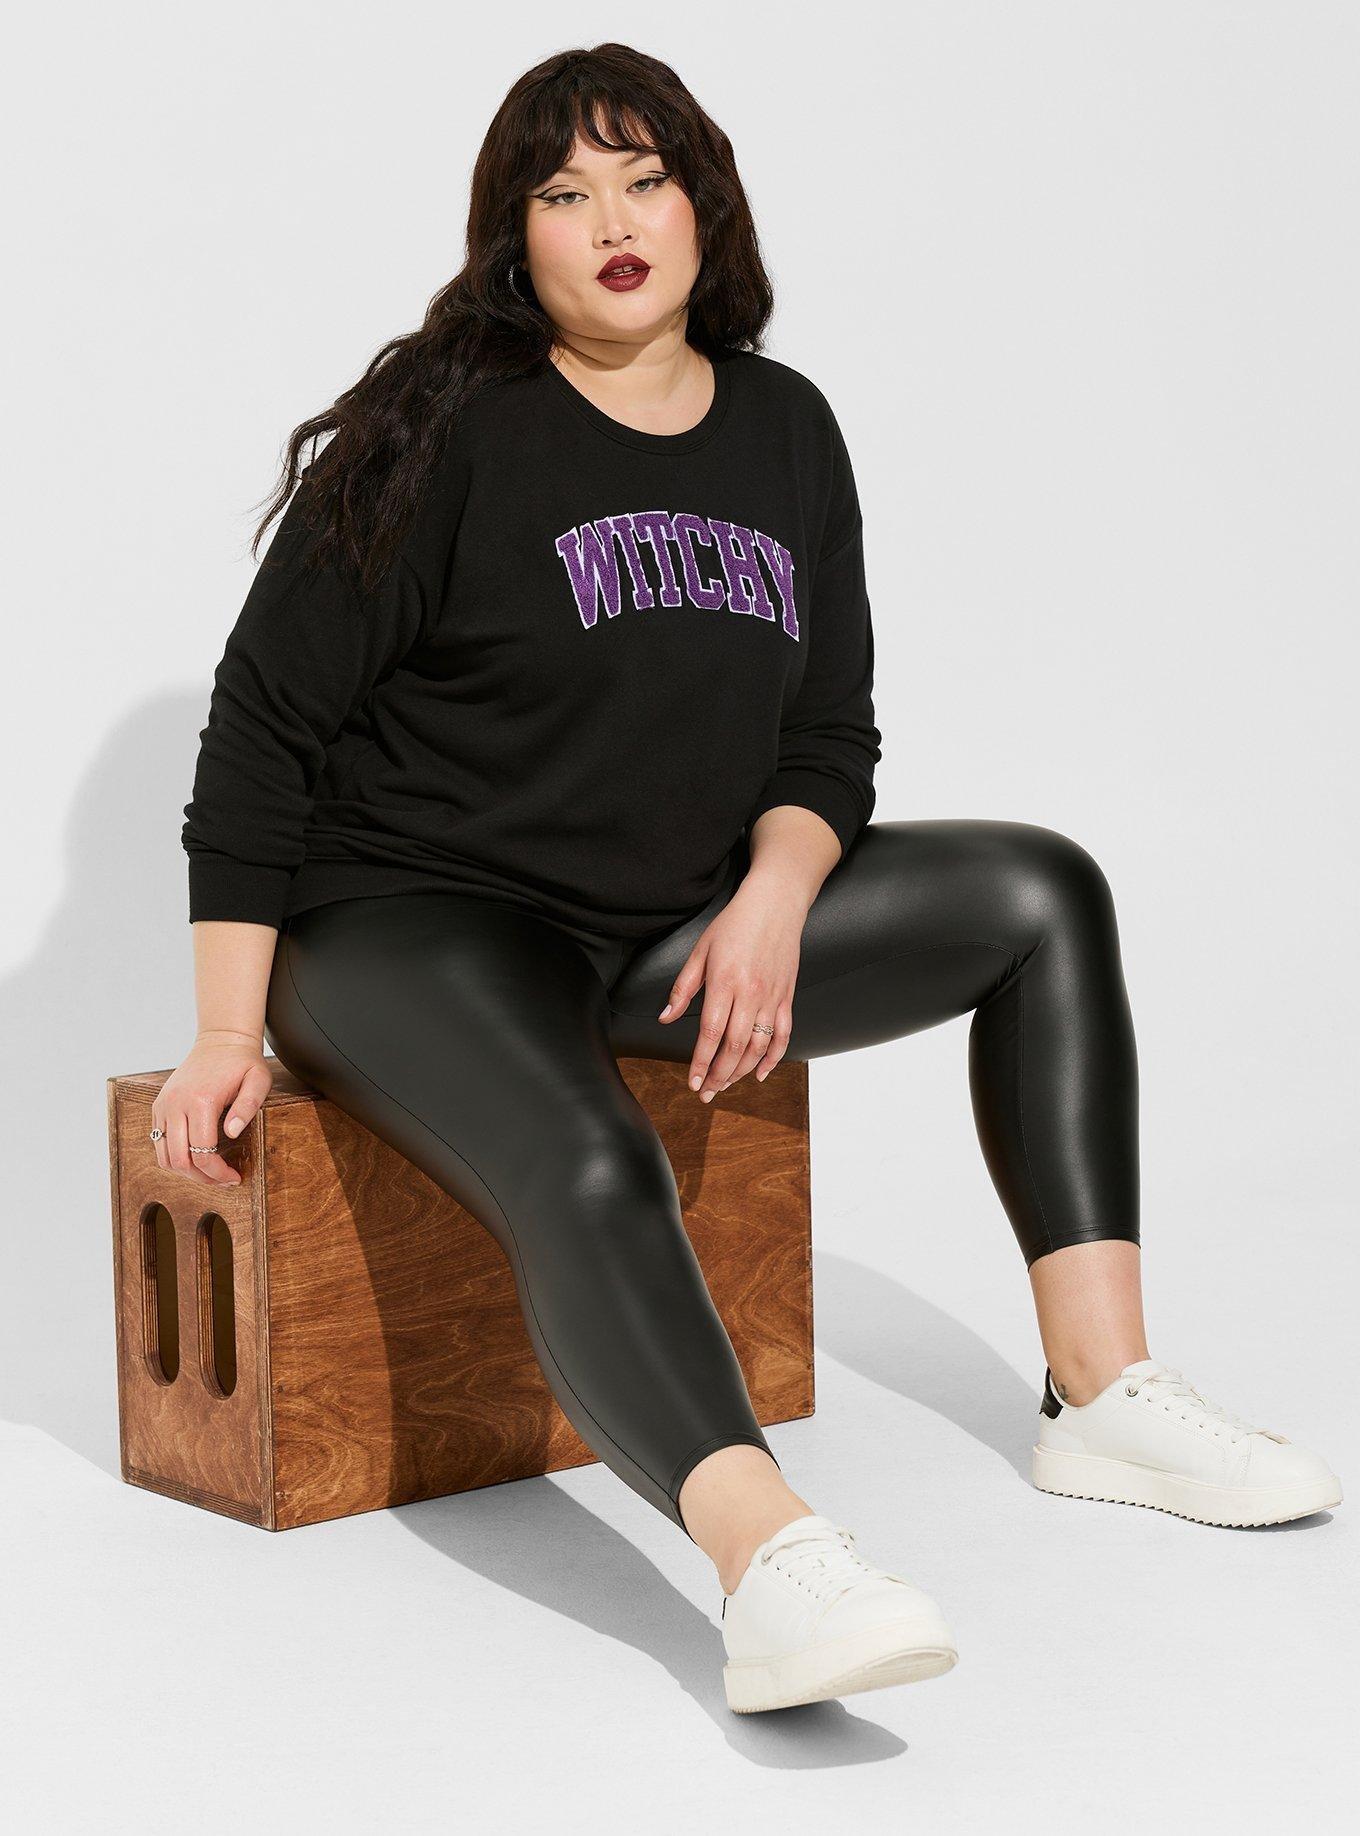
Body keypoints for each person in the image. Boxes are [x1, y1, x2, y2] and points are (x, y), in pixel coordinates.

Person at [157, 43, 1342, 1716]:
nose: (613, 223)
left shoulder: (786, 428)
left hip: (669, 923)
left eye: (645, 181)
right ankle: (769, 1558)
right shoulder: (448, 428)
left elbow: (830, 735)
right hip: (414, 921)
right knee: (588, 1151)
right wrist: (226, 1031)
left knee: (1041, 896)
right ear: (515, 238)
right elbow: (262, 728)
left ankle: (1103, 1392)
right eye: (564, 194)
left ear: (704, 206)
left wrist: (775, 896)